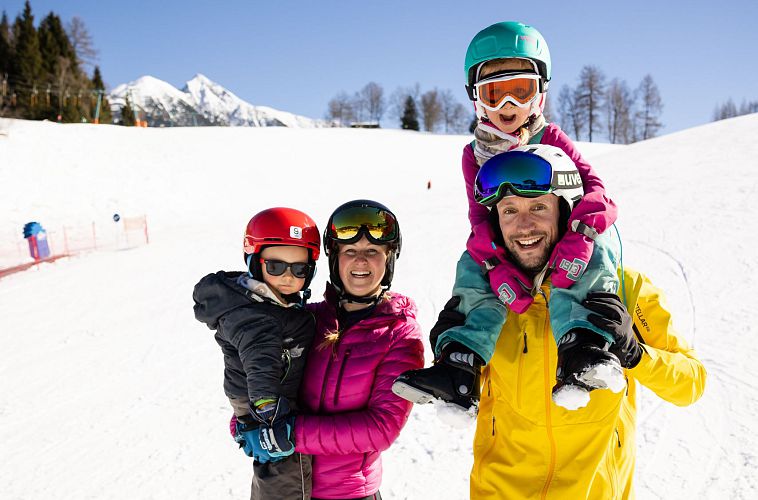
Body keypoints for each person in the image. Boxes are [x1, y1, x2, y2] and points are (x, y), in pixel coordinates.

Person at [433, 150, 706, 497]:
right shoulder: (488, 302)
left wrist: (634, 354)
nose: (523, 225)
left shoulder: (623, 290)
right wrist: (448, 355)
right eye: (509, 211)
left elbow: (691, 383)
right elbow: (461, 382)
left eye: (538, 208)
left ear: (565, 212)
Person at [393, 21, 625, 410]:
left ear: (540, 94)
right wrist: (493, 264)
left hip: (563, 235)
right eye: (495, 94)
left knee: (598, 253)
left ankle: (583, 348)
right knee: (471, 269)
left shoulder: (552, 139)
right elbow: (479, 222)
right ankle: (459, 367)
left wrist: (581, 235)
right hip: (512, 240)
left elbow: (599, 195)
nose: (508, 107)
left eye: (520, 92)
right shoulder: (474, 155)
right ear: (477, 99)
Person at [251, 200, 424, 500]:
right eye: (350, 252)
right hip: (286, 488)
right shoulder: (309, 319)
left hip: (350, 493)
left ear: (388, 259)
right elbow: (264, 379)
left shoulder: (400, 334)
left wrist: (291, 433)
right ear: (335, 260)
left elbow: (382, 427)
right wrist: (247, 422)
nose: (360, 261)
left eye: (372, 252)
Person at [193, 207, 321, 499]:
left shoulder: (267, 300)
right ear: (254, 261)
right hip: (266, 399)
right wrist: (267, 409)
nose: (288, 277)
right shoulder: (257, 316)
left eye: (299, 269)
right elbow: (260, 360)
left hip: (257, 395)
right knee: (287, 473)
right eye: (276, 266)